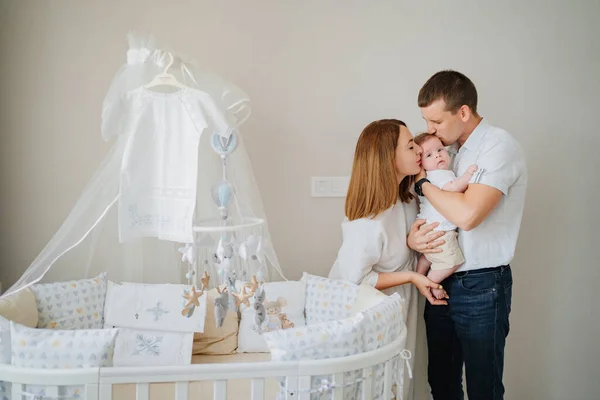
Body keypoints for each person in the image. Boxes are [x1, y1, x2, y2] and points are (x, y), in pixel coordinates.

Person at [412, 70, 527, 400]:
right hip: (442, 282)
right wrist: (414, 240)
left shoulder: (497, 146)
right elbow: (434, 213)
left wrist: (423, 183)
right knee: (442, 383)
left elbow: (468, 215)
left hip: (481, 285)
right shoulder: (450, 151)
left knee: (483, 390)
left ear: (463, 112)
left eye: (436, 121)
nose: (430, 131)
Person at [328, 118, 448, 400]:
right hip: (367, 315)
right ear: (389, 158)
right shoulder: (368, 221)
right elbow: (354, 280)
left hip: (398, 308)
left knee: (400, 385)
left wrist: (413, 244)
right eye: (410, 147)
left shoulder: (406, 200)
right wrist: (411, 276)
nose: (419, 151)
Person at [413, 132, 478, 299]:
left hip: (429, 226)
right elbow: (453, 188)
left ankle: (419, 274)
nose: (438, 156)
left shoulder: (431, 176)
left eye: (440, 150)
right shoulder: (438, 175)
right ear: (421, 163)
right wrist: (468, 175)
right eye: (429, 155)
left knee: (428, 256)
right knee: (452, 262)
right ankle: (431, 282)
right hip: (440, 230)